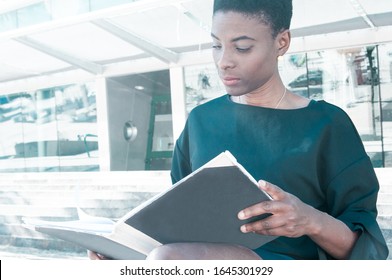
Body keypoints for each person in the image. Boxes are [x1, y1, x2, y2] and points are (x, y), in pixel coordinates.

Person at [90, 0, 388, 260]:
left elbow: (368, 249)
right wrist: (121, 253)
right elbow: (174, 227)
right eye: (216, 45)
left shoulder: (327, 124)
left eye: (242, 47)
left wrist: (310, 220)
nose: (224, 62)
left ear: (281, 42)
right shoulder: (200, 121)